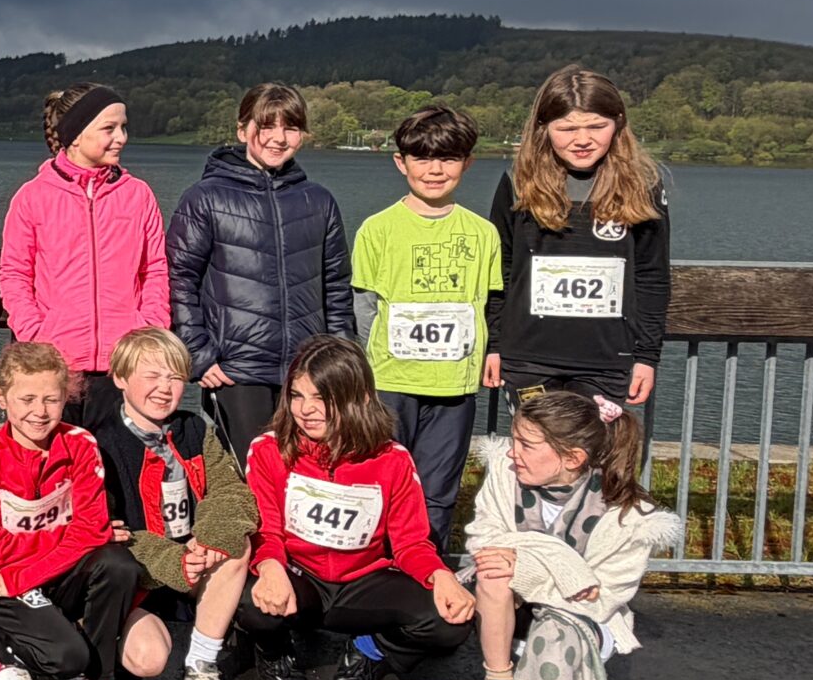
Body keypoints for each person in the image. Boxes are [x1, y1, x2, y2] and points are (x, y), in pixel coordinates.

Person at [235, 336, 476, 680]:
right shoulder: (268, 450)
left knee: (450, 621)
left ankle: (368, 650)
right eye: (297, 396)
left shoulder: (393, 458)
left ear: (359, 398)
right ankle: (273, 649)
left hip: (363, 583)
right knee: (245, 598)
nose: (306, 410)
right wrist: (270, 568)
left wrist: (440, 575)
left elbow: (411, 541)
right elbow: (265, 528)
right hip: (299, 578)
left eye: (321, 398)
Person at [462, 387, 678, 680]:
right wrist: (564, 566)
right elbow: (483, 540)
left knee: (555, 630)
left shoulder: (630, 516)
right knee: (493, 572)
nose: (513, 453)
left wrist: (526, 563)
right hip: (523, 598)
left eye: (526, 445)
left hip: (584, 613)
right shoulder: (504, 472)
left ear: (573, 458)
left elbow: (602, 596)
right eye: (514, 440)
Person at [0, 342, 148, 680]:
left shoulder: (80, 443)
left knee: (119, 564)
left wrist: (74, 542)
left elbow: (92, 529)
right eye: (27, 399)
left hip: (34, 574)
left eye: (52, 399)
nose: (40, 412)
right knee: (68, 656)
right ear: (1, 398)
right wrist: (72, 538)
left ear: (66, 398)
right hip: (2, 580)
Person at [165, 82, 354, 456]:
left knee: (308, 473)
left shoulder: (318, 201)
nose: (279, 138)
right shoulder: (205, 198)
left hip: (307, 371)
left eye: (291, 128)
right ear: (242, 130)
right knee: (250, 475)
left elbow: (336, 286)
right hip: (236, 371)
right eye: (266, 126)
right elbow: (180, 279)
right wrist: (197, 353)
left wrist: (341, 360)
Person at [90, 327, 260, 680]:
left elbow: (232, 493)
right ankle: (99, 627)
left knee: (237, 545)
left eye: (175, 377)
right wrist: (172, 560)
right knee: (149, 660)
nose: (165, 388)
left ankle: (202, 667)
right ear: (120, 378)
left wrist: (210, 539)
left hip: (193, 557)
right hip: (140, 575)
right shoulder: (102, 442)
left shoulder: (195, 429)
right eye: (152, 375)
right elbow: (111, 531)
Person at [354, 105, 501, 555]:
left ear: (467, 163)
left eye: (448, 158)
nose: (435, 170)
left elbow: (491, 303)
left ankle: (425, 574)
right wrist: (366, 374)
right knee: (379, 487)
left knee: (437, 493)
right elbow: (363, 307)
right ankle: (375, 576)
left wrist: (491, 352)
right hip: (390, 384)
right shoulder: (376, 229)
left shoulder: (483, 233)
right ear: (401, 163)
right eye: (422, 158)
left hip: (454, 386)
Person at [484, 65, 672, 410]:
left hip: (607, 363)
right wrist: (493, 344)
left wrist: (647, 356)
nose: (582, 139)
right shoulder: (517, 182)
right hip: (528, 359)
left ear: (618, 123)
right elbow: (501, 270)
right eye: (567, 128)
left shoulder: (643, 185)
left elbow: (652, 276)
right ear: (543, 127)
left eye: (597, 126)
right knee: (536, 444)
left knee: (590, 446)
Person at [0, 85, 169, 427]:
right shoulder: (33, 197)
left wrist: (149, 330)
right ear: (75, 135)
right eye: (109, 128)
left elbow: (154, 270)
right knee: (59, 458)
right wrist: (36, 334)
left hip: (124, 364)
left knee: (121, 458)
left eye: (123, 127)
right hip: (54, 367)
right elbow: (15, 274)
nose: (121, 138)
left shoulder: (138, 195)